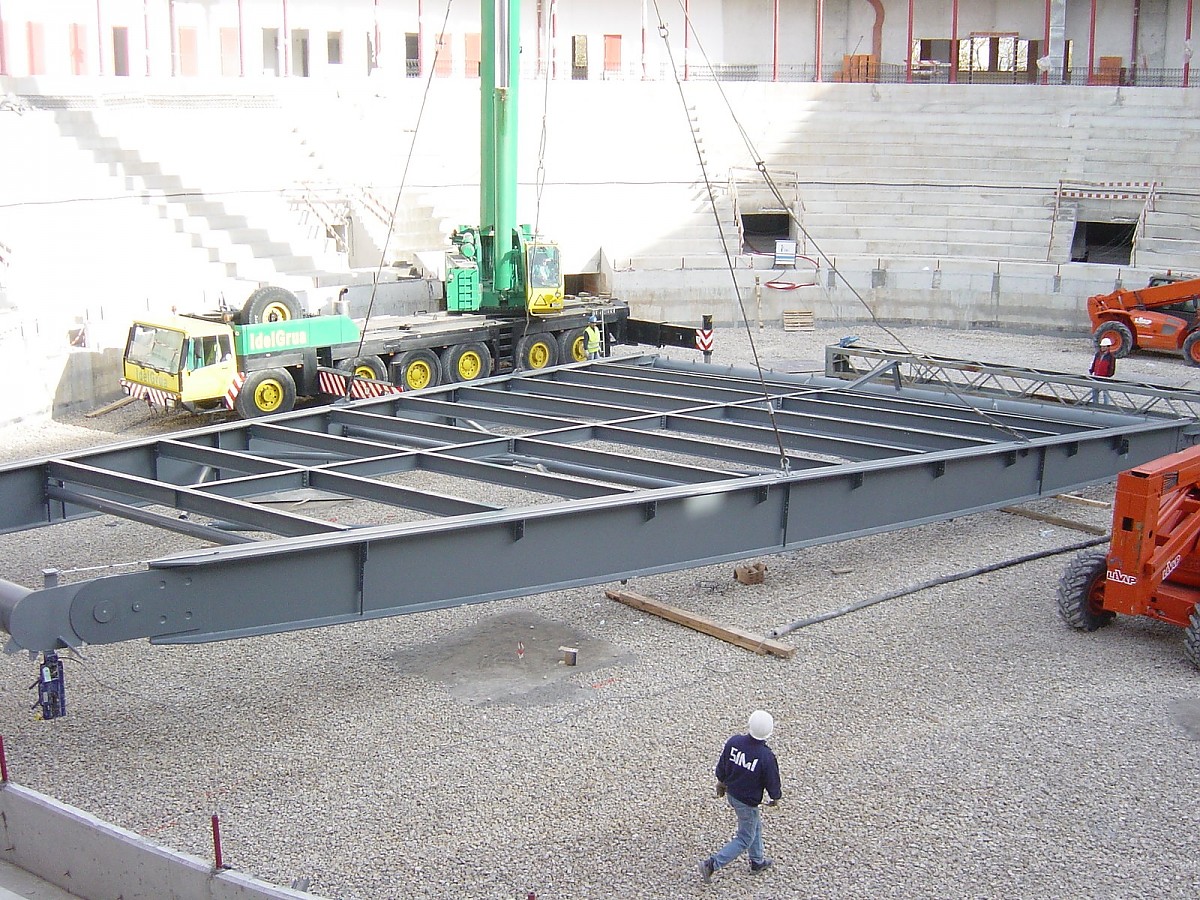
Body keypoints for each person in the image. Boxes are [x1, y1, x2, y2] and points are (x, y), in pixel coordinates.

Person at [698, 710, 782, 883]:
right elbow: (772, 781)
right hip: (747, 802)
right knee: (745, 837)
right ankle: (712, 864)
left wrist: (720, 782)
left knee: (754, 826)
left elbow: (722, 765)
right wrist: (775, 797)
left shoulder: (734, 742)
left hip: (732, 794)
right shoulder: (766, 756)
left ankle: (757, 861)